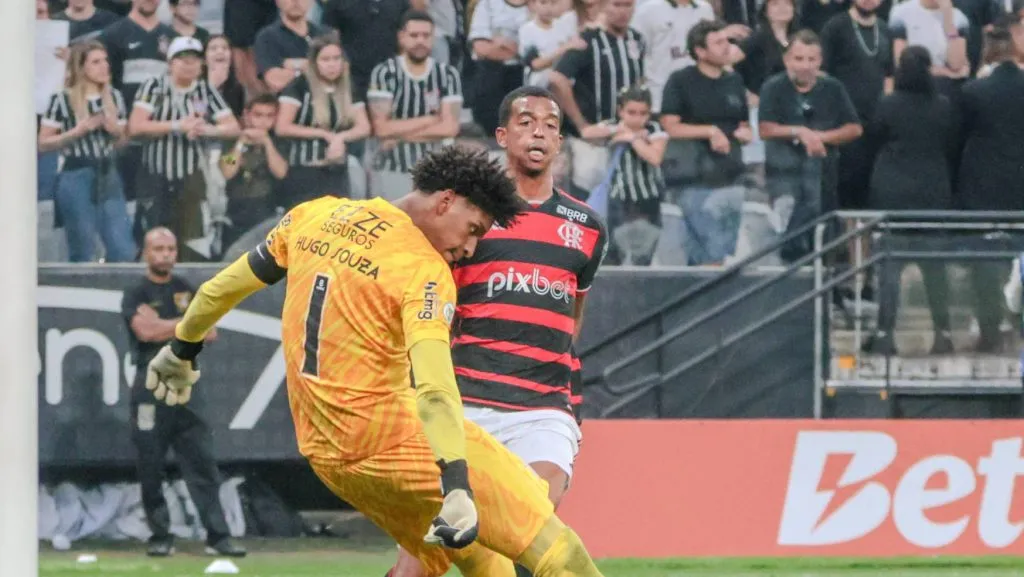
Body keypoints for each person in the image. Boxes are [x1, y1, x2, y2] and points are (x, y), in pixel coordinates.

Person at [144, 146, 609, 577]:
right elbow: (433, 389)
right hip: (394, 441)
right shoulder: (424, 271)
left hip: (329, 457)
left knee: (482, 561)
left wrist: (182, 349)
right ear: (447, 201)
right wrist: (458, 484)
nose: (470, 249)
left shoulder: (314, 215)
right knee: (560, 553)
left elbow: (221, 288)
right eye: (473, 230)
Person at [389, 85, 608, 577]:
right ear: (503, 136)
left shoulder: (587, 226)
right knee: (422, 563)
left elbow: (574, 313)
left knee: (531, 534)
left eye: (552, 125)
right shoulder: (469, 218)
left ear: (560, 143)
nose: (541, 132)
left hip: (542, 410)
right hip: (465, 405)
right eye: (528, 122)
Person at [121, 227, 246, 559]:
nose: (165, 254)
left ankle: (218, 537)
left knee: (203, 464)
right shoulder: (135, 293)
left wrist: (169, 324)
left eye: (171, 248)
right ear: (146, 254)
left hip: (186, 386)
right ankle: (160, 535)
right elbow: (144, 332)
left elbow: (212, 331)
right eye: (159, 248)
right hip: (150, 388)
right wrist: (186, 324)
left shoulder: (187, 289)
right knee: (150, 465)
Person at [862, 46, 956, 356]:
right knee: (935, 270)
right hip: (932, 191)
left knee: (889, 269)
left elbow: (873, 136)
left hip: (892, 191)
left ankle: (884, 335)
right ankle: (943, 336)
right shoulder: (942, 106)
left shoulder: (887, 105)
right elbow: (950, 143)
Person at [128, 36, 241, 262]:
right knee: (155, 241)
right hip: (156, 177)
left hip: (191, 179)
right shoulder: (154, 86)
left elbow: (233, 127)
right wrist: (178, 125)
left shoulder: (205, 90)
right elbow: (135, 126)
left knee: (193, 244)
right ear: (170, 63)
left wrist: (205, 130)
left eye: (194, 60)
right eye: (182, 59)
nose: (189, 64)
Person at [39, 40, 136, 263]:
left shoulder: (115, 97)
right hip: (76, 173)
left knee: (122, 248)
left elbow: (122, 143)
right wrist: (78, 131)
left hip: (108, 172)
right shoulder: (61, 99)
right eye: (96, 62)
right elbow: (43, 142)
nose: (104, 66)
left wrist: (117, 133)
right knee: (83, 247)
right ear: (81, 67)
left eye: (105, 61)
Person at [367, 11, 463, 201]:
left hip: (435, 171)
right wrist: (431, 119)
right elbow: (382, 128)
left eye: (426, 36)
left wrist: (400, 135)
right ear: (401, 37)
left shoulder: (447, 75)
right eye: (414, 35)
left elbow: (450, 127)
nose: (420, 41)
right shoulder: (385, 73)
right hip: (392, 168)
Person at [275, 33, 371, 207]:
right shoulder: (300, 86)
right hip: (305, 172)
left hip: (337, 172)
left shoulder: (348, 87)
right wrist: (322, 134)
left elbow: (364, 127)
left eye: (336, 58)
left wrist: (339, 138)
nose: (332, 65)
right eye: (325, 59)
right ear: (314, 62)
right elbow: (282, 126)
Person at [219, 92, 289, 249]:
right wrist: (240, 143)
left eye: (269, 116)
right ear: (247, 115)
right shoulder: (230, 141)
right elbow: (227, 170)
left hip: (267, 208)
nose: (263, 121)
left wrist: (267, 143)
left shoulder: (279, 142)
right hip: (235, 210)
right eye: (258, 115)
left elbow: (281, 172)